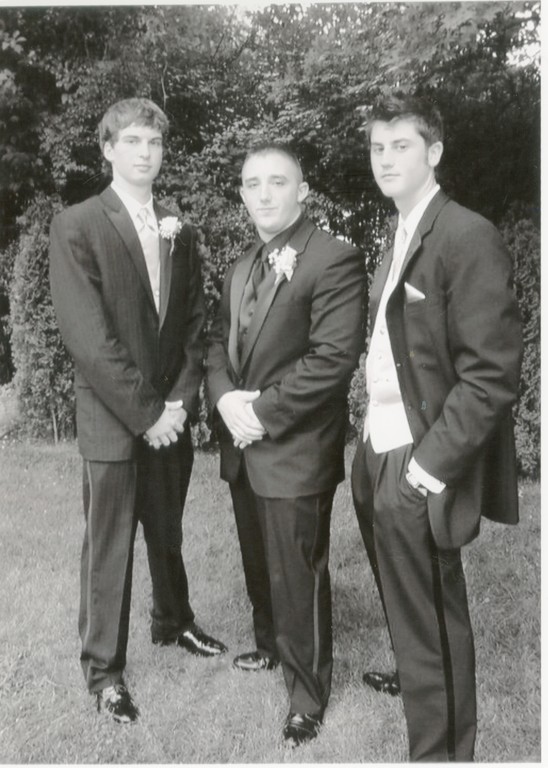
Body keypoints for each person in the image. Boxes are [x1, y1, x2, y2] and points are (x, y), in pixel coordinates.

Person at [351, 93, 523, 761]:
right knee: (410, 615)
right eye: (378, 147)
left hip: (419, 460)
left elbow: (492, 374)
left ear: (435, 152)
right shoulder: (397, 230)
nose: (387, 158)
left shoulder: (465, 233)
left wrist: (427, 467)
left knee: (434, 626)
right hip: (375, 450)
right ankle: (427, 716)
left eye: (401, 145)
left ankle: (445, 754)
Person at [49, 98, 226, 725]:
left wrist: (178, 403)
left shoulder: (181, 229)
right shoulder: (78, 224)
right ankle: (104, 672)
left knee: (167, 528)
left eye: (153, 141)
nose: (145, 151)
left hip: (168, 415)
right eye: (131, 140)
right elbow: (89, 339)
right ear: (107, 149)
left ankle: (173, 621)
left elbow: (194, 326)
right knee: (111, 544)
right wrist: (148, 413)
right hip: (114, 418)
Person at [206, 143, 364, 746]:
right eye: (253, 184)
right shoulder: (242, 263)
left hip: (294, 445)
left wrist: (261, 415)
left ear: (303, 190)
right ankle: (271, 646)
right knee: (258, 563)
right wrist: (224, 400)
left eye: (278, 182)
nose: (265, 193)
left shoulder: (334, 258)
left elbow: (332, 360)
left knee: (298, 572)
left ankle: (307, 693)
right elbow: (216, 344)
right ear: (243, 194)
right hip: (244, 446)